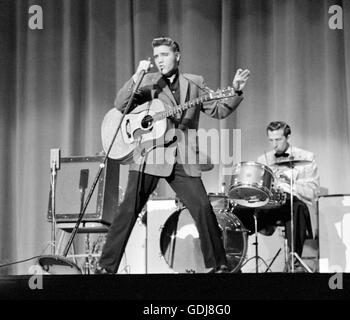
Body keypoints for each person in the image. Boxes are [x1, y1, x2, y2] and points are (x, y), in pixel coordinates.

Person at [96, 36, 250, 274]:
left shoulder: (194, 83)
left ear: (177, 56)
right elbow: (120, 104)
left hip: (182, 155)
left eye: (164, 55)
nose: (160, 60)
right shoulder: (148, 82)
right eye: (156, 56)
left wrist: (236, 90)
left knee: (202, 207)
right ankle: (106, 267)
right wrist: (137, 76)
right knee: (129, 209)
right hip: (150, 153)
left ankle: (219, 265)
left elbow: (219, 110)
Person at [235, 121, 319, 270]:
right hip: (270, 204)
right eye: (271, 140)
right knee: (239, 212)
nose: (274, 144)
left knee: (295, 207)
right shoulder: (263, 159)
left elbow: (313, 191)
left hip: (294, 201)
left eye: (278, 140)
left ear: (288, 137)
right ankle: (235, 259)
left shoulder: (306, 157)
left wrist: (291, 183)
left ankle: (294, 261)